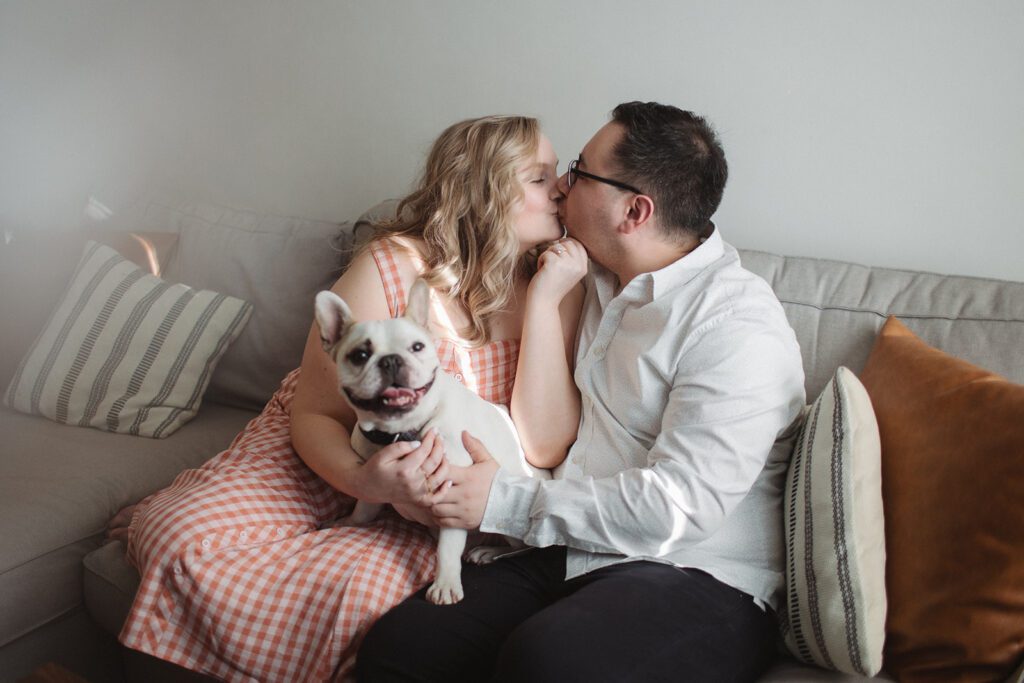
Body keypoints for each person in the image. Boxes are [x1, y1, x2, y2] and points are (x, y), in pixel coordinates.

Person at [107, 115, 589, 681]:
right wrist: (362, 482)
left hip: (437, 487)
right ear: (483, 192)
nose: (561, 188)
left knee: (359, 604)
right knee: (179, 533)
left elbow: (546, 444)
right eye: (540, 177)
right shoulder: (390, 264)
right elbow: (316, 411)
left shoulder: (560, 278)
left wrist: (541, 303)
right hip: (335, 446)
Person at [356, 102, 807, 682]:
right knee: (405, 645)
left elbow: (679, 508)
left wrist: (503, 500)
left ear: (634, 210)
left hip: (693, 572)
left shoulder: (736, 325)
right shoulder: (581, 274)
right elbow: (474, 226)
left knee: (554, 662)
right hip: (565, 549)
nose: (563, 185)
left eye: (580, 171)